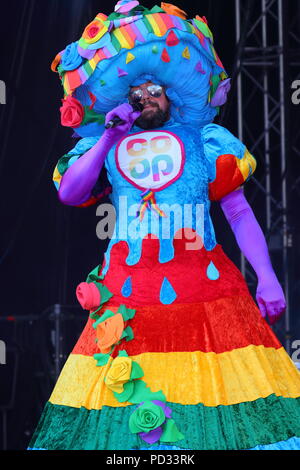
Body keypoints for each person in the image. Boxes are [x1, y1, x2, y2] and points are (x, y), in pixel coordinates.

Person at [29, 2, 300, 450]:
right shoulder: (107, 144)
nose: (146, 96)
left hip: (206, 294)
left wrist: (268, 278)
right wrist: (111, 137)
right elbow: (69, 193)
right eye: (137, 91)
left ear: (171, 93)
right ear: (125, 99)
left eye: (155, 88)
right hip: (130, 298)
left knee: (218, 413)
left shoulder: (205, 141)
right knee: (133, 414)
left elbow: (238, 212)